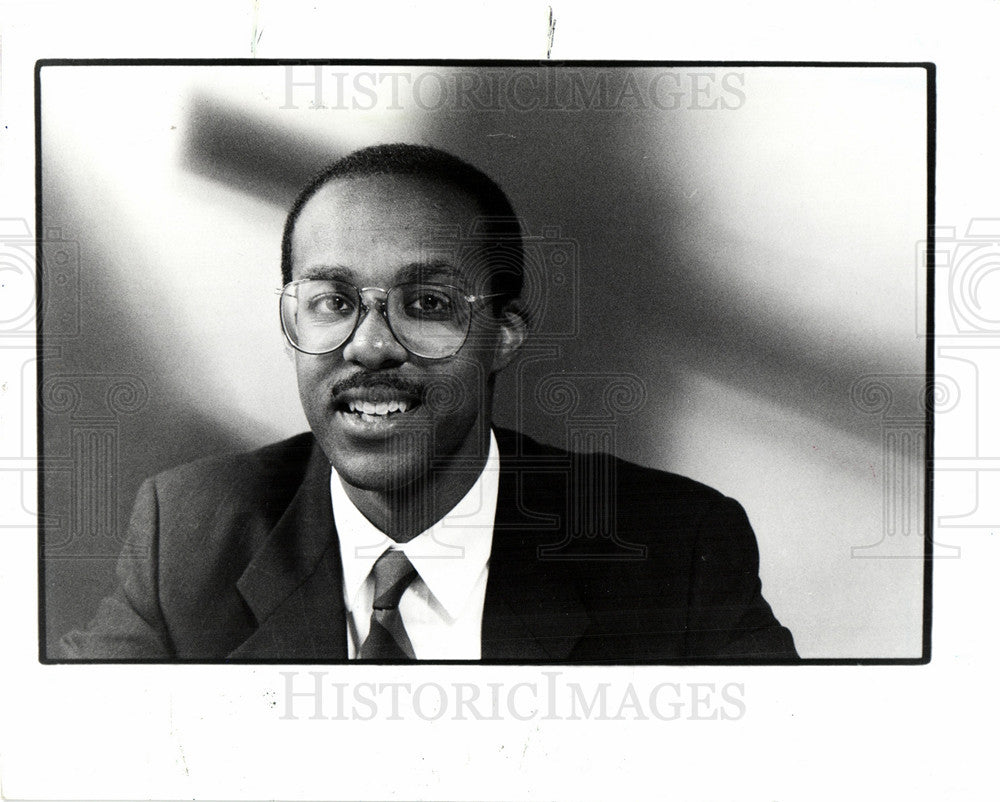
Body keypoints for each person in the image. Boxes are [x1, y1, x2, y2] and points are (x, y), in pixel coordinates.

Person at [57, 143, 798, 662]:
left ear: (503, 335)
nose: (370, 346)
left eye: (428, 302)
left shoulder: (677, 549)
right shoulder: (187, 536)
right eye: (332, 301)